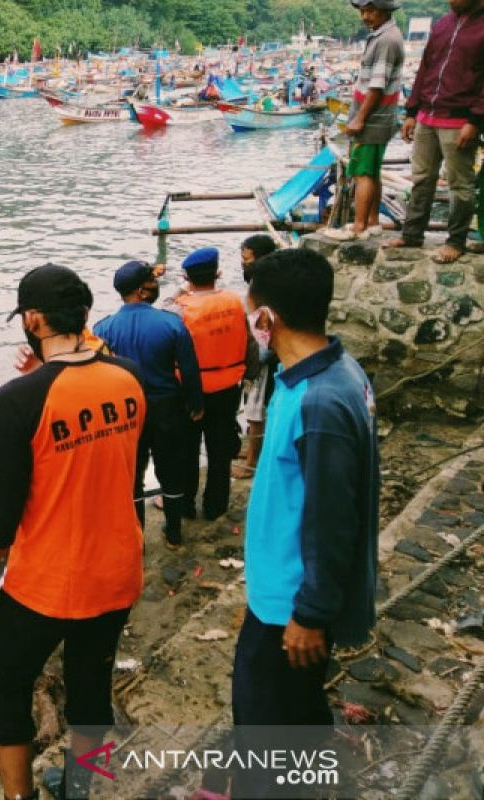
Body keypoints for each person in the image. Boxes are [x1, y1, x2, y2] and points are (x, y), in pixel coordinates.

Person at [0, 263, 146, 800]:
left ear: (34, 320)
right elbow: (128, 472)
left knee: (7, 690)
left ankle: (18, 796)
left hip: (46, 582)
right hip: (116, 572)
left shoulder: (21, 398)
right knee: (92, 685)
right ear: (86, 316)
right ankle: (84, 786)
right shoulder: (129, 378)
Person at [233, 247, 379, 798]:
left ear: (267, 320)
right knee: (296, 713)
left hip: (287, 608)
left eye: (254, 315)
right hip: (281, 591)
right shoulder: (328, 372)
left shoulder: (320, 402)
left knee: (264, 728)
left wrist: (311, 614)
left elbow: (332, 519)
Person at [93, 261, 203, 546]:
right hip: (167, 408)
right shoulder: (171, 323)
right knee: (171, 472)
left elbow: (98, 376)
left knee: (132, 478)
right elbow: (189, 370)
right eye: (152, 284)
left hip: (127, 413)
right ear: (141, 291)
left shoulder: (103, 329)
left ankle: (137, 538)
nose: (157, 286)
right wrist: (195, 403)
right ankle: (174, 532)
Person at [385, 0, 484, 264]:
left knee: (460, 185)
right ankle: (412, 234)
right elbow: (425, 71)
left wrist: (475, 120)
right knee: (422, 178)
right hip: (427, 116)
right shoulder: (443, 23)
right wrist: (411, 112)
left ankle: (456, 241)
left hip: (460, 118)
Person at [169, 247, 257, 520]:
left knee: (186, 451)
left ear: (186, 277)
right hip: (228, 387)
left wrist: (176, 293)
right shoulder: (234, 302)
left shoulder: (179, 309)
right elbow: (251, 345)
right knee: (220, 453)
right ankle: (215, 506)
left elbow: (168, 343)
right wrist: (250, 377)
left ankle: (185, 506)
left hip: (190, 391)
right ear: (217, 273)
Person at [324, 0, 404, 241]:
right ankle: (372, 222)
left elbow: (377, 85)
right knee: (372, 171)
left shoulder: (387, 40)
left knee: (362, 172)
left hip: (373, 118)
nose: (365, 16)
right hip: (377, 116)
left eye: (371, 11)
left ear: (385, 11)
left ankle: (359, 227)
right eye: (363, 11)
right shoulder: (382, 35)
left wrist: (359, 118)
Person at [233, 235, 279, 480]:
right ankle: (250, 449)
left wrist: (253, 358)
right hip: (256, 353)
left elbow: (266, 333)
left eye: (246, 259)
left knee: (255, 410)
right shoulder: (259, 282)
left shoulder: (267, 290)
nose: (243, 263)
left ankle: (252, 462)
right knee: (253, 407)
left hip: (262, 357)